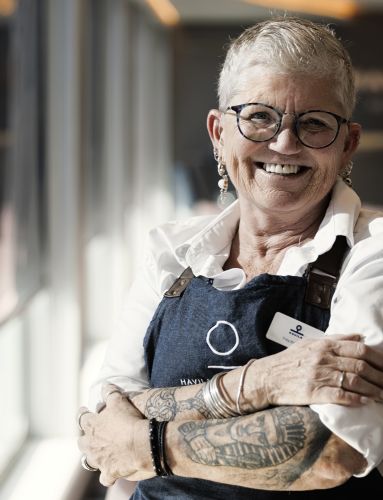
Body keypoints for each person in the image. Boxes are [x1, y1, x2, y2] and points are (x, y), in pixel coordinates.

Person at [78, 16, 383, 499]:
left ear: (346, 143)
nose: (285, 143)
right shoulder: (170, 251)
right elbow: (105, 418)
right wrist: (259, 384)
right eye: (260, 116)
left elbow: (330, 450)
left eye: (315, 124)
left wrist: (149, 446)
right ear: (219, 132)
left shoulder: (375, 255)